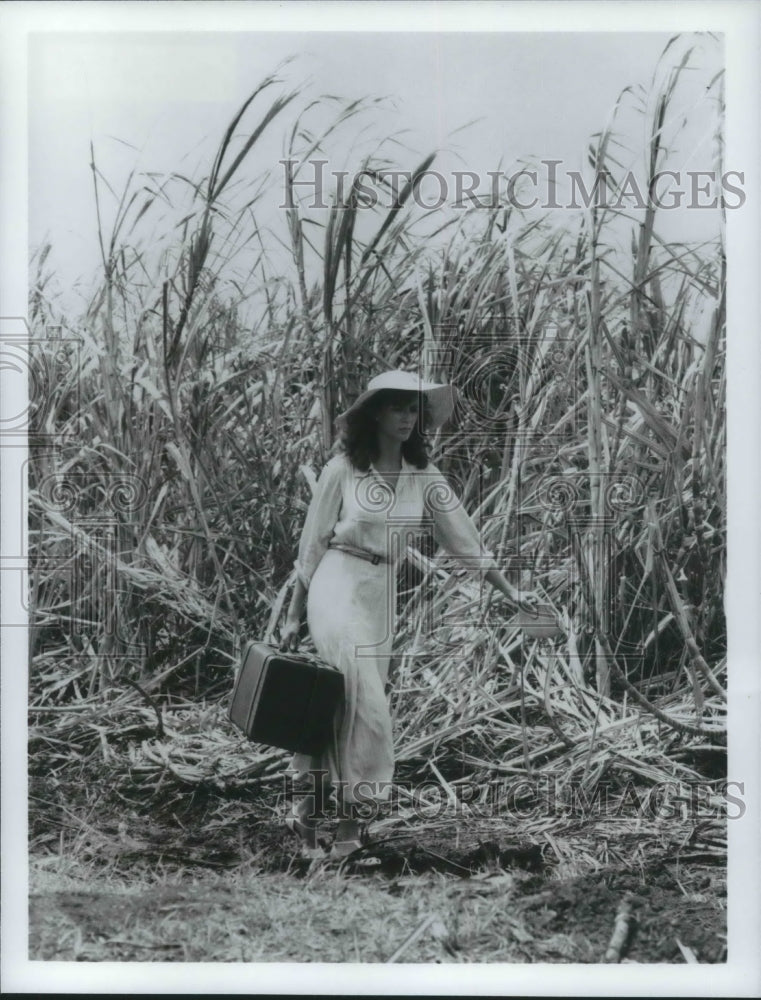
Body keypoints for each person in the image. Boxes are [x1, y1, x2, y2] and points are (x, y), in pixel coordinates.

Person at [279, 370, 537, 859]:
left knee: (335, 703)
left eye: (414, 409)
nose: (407, 417)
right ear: (374, 413)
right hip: (337, 583)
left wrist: (510, 592)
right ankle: (351, 830)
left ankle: (307, 819)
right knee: (367, 702)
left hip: (380, 595)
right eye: (398, 407)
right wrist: (293, 616)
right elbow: (311, 547)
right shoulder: (342, 471)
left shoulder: (424, 477)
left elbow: (465, 541)